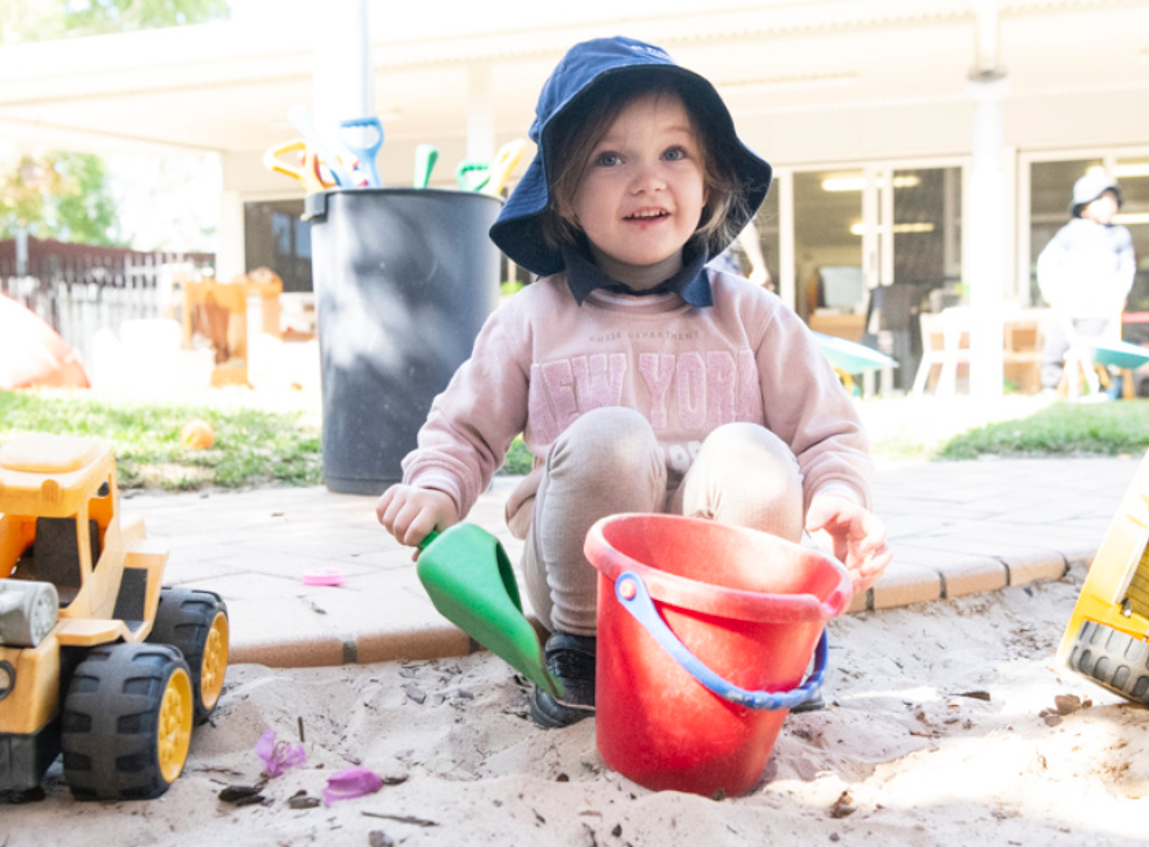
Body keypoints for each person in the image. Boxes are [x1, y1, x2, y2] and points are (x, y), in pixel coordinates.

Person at [375, 37, 890, 728]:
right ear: (562, 195)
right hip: (581, 590)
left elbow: (828, 433)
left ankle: (750, 639)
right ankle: (584, 654)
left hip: (718, 587)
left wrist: (838, 497)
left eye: (674, 152)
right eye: (611, 158)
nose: (648, 180)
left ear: (709, 181)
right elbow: (464, 430)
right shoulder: (533, 319)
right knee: (609, 437)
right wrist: (436, 487)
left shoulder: (755, 318)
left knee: (755, 453)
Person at [1035, 169, 1135, 395]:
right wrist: (1048, 290)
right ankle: (1051, 386)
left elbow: (1127, 269)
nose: (1109, 205)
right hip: (1068, 305)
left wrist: (1120, 294)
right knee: (1057, 344)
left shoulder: (1120, 236)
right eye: (1101, 200)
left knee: (1096, 349)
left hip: (1099, 308)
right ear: (1084, 207)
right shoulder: (1069, 234)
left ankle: (1099, 388)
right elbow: (1047, 262)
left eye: (1112, 200)